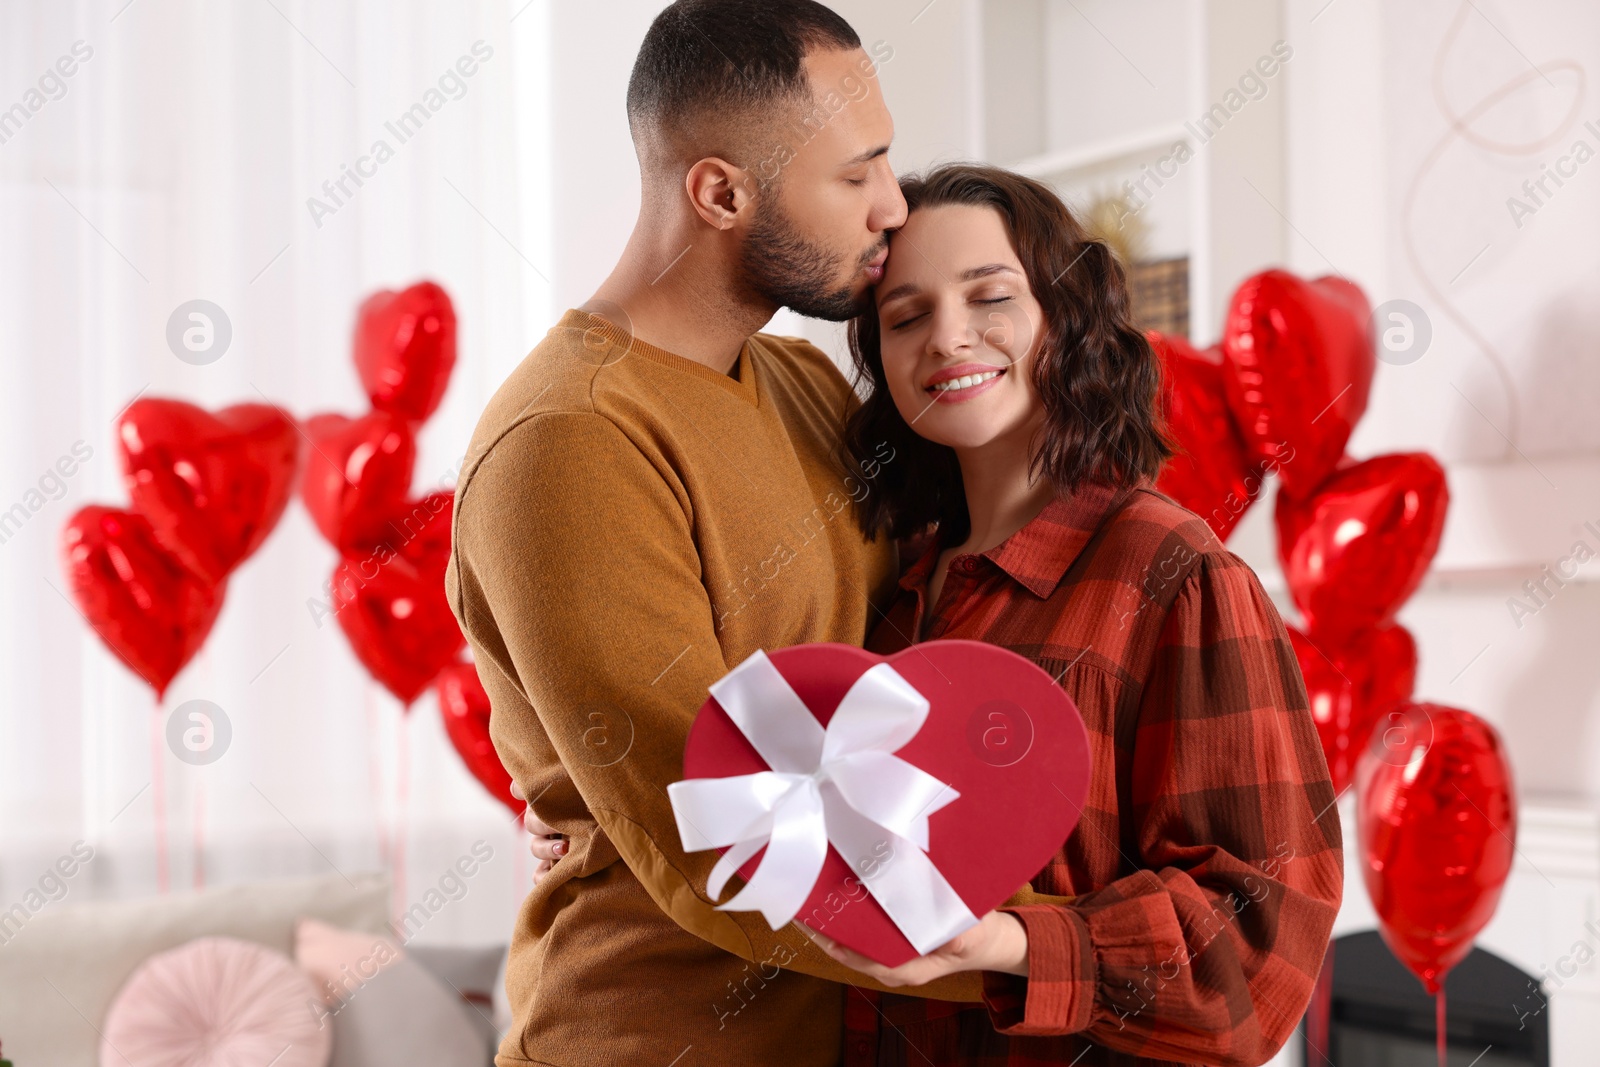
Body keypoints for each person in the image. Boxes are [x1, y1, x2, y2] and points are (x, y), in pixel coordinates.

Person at [446, 3, 982, 1065]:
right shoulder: (569, 438)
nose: (893, 206)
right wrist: (1073, 951)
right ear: (720, 191)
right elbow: (715, 826)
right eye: (856, 172)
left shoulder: (802, 380)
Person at [803, 164, 1344, 1066]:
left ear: (1068, 319)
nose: (947, 337)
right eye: (905, 317)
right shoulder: (889, 594)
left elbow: (1261, 951)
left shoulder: (1175, 576)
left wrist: (1013, 945)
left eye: (990, 297)